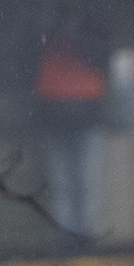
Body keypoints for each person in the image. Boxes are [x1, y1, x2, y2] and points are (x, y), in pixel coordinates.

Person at [30, 17, 111, 239]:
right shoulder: (42, 34)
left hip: (86, 117)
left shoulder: (95, 34)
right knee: (61, 183)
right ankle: (66, 237)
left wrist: (78, 37)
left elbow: (103, 61)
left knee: (84, 182)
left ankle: (84, 235)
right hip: (54, 117)